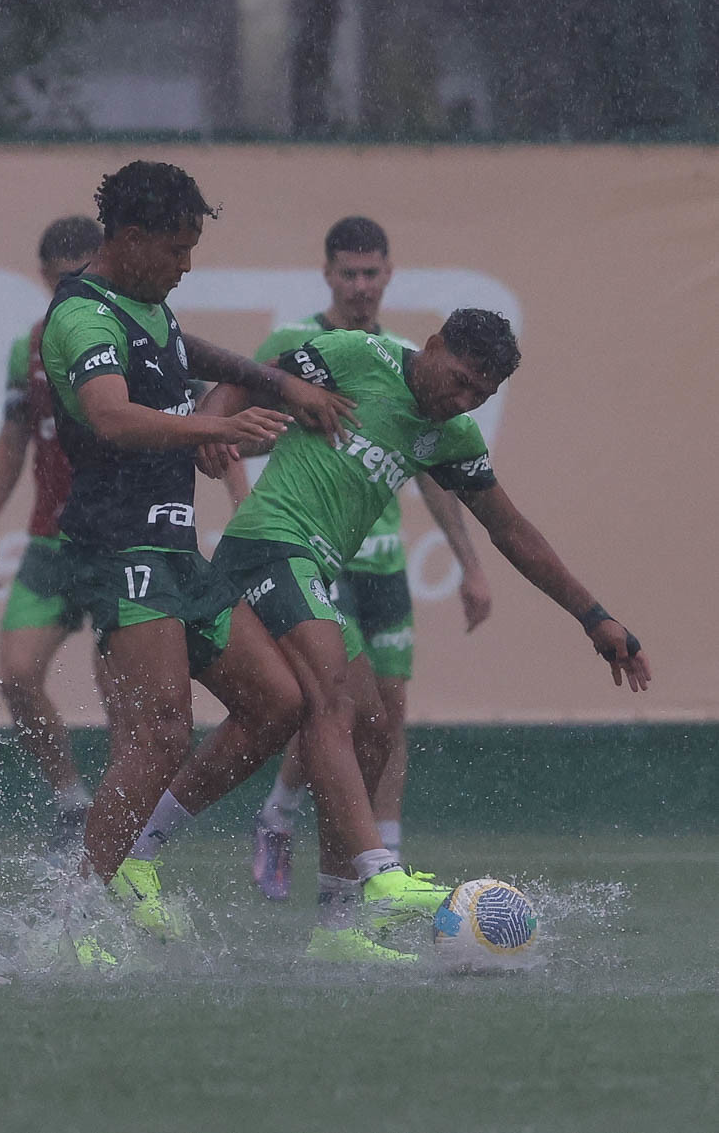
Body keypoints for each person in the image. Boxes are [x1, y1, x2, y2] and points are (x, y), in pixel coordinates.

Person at [128, 309, 651, 961]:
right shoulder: (357, 354)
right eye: (458, 381)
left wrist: (593, 615)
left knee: (368, 723)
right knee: (331, 701)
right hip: (267, 544)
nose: (461, 401)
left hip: (311, 564)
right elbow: (262, 373)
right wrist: (213, 426)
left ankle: (333, 924)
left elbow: (512, 530)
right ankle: (379, 873)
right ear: (431, 347)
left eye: (478, 396)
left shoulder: (450, 434)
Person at [38, 161, 356, 961]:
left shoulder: (149, 305)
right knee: (160, 734)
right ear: (133, 239)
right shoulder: (81, 317)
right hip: (121, 549)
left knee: (278, 702)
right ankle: (69, 917)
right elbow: (111, 417)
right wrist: (219, 430)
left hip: (177, 549)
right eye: (177, 249)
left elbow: (191, 353)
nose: (188, 265)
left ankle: (138, 853)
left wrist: (278, 380)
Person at [245, 216, 493, 899]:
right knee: (339, 705)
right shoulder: (305, 345)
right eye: (349, 273)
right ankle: (280, 816)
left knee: (389, 711)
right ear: (328, 275)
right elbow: (248, 427)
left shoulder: (421, 364)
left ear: (389, 274)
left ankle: (383, 854)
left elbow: (437, 476)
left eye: (372, 272)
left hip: (381, 562)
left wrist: (469, 562)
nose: (361, 285)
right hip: (318, 557)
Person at [0, 215, 105, 852]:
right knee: (16, 673)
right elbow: (13, 440)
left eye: (81, 278)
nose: (69, 293)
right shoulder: (28, 348)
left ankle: (134, 828)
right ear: (44, 279)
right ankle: (70, 802)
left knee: (133, 701)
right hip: (52, 542)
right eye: (60, 282)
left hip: (121, 545)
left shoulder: (130, 338)